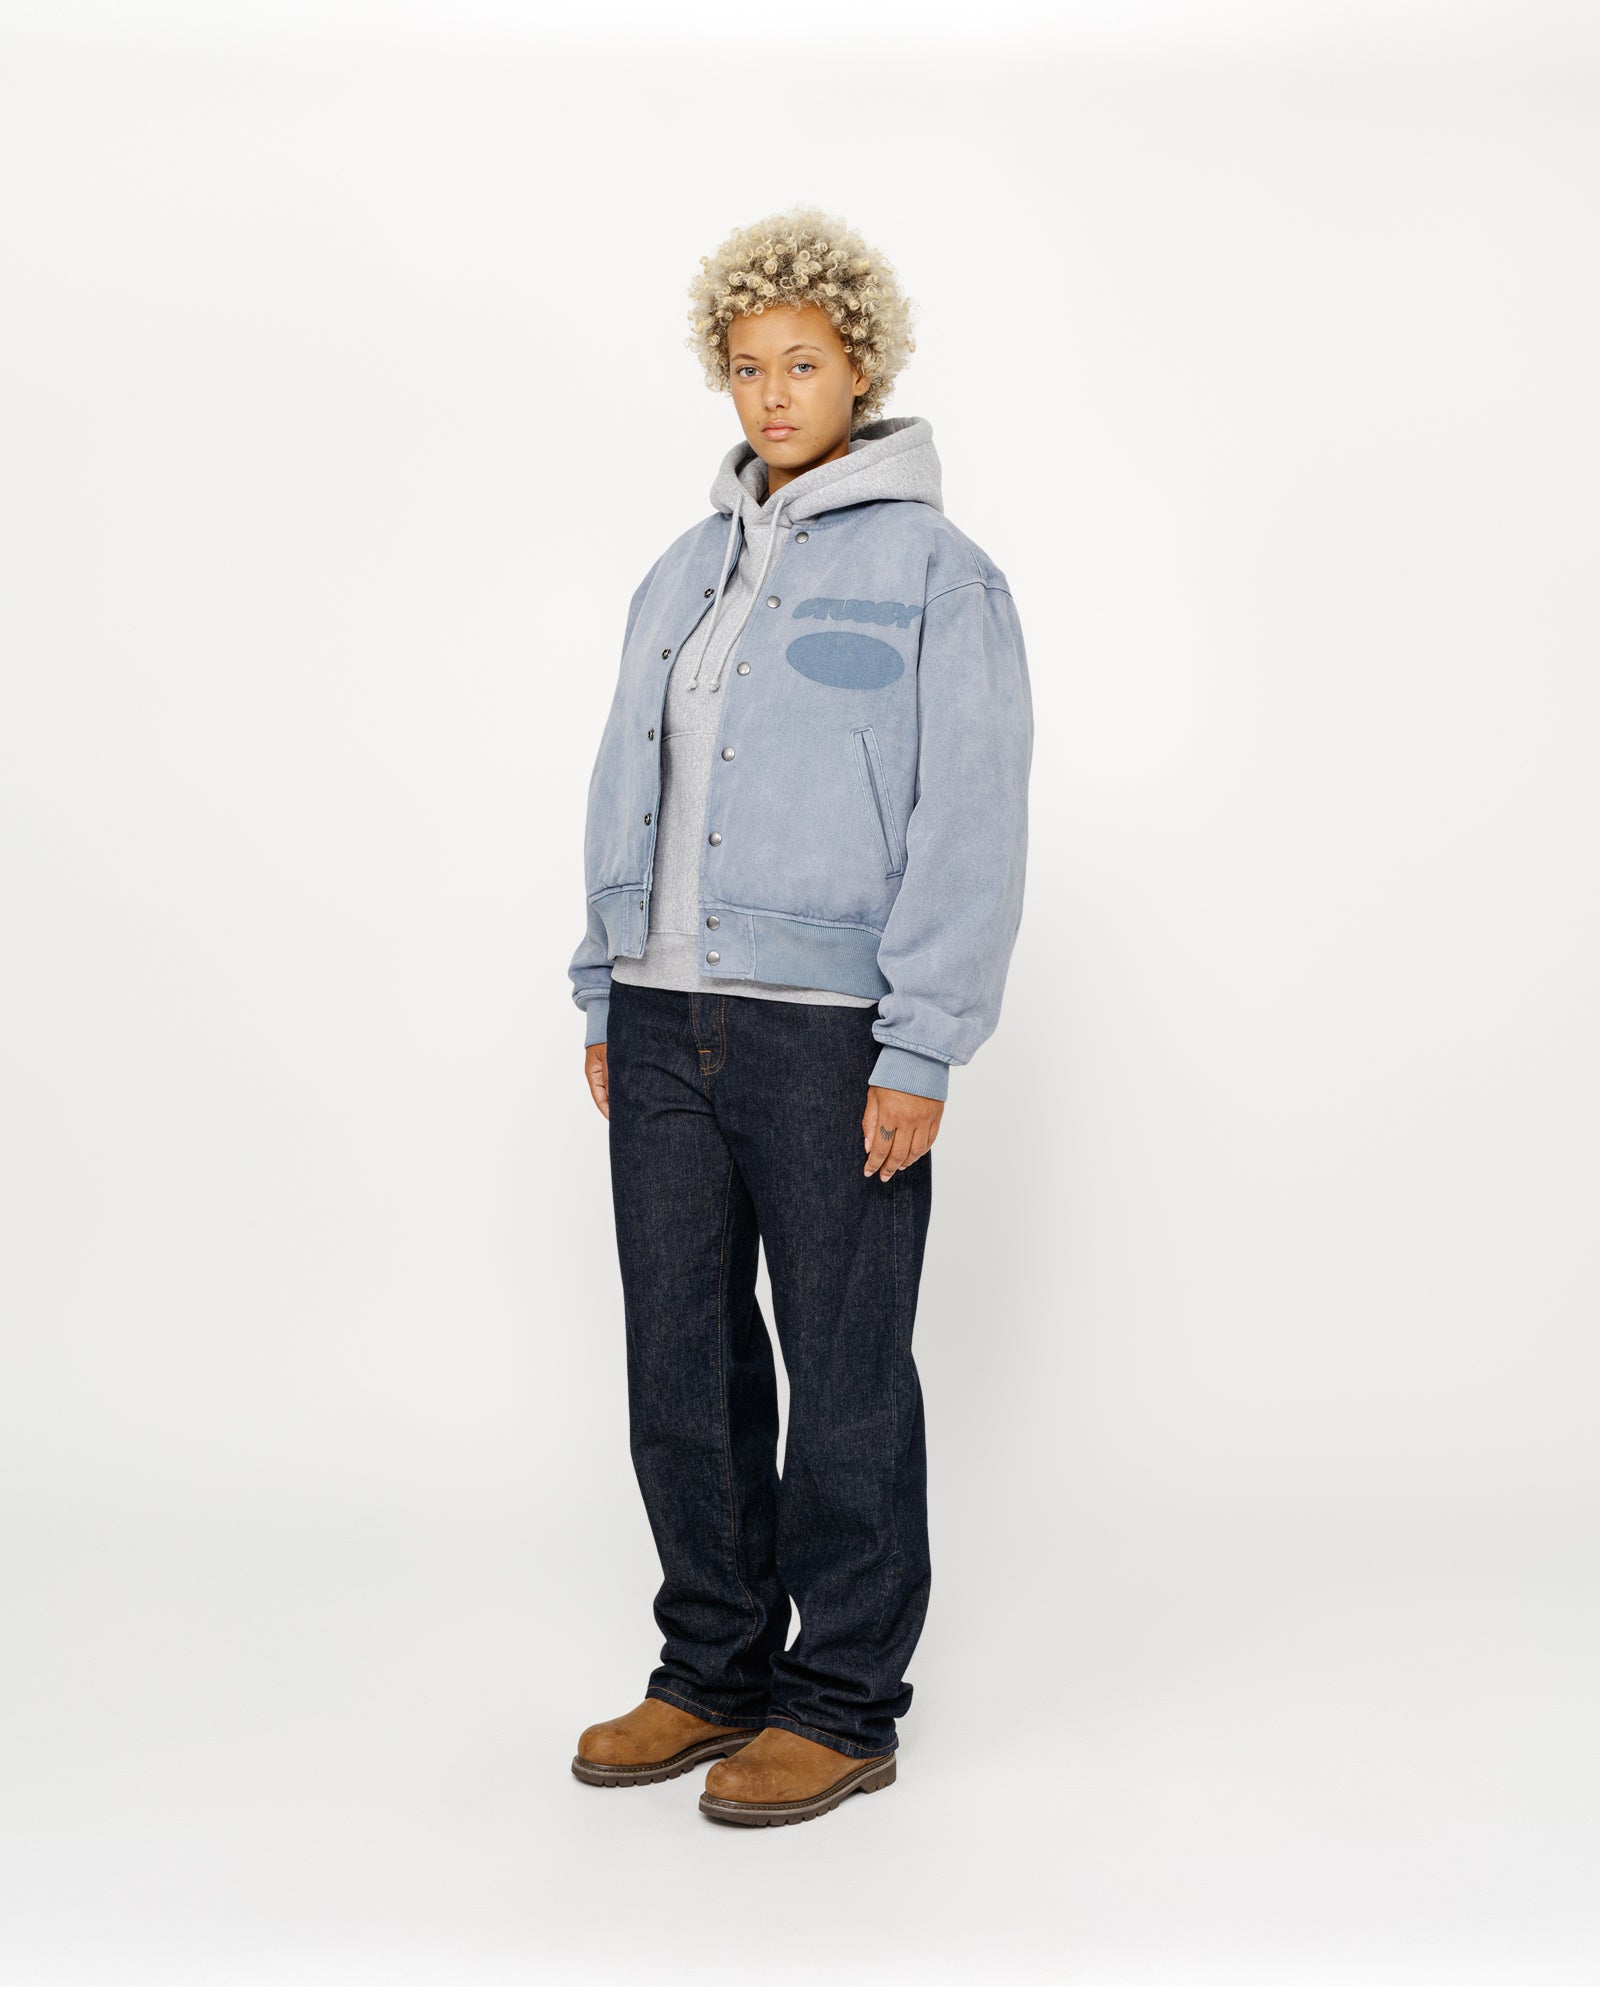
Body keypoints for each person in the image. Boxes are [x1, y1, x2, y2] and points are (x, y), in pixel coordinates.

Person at [565, 208, 1033, 1827]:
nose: (773, 395)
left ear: (861, 370)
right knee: (681, 1362)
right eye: (748, 367)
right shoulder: (681, 570)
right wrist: (604, 977)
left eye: (804, 364)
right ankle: (709, 1671)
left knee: (843, 1371)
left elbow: (972, 818)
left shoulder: (939, 577)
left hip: (827, 1035)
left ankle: (840, 1703)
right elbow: (624, 776)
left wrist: (922, 1043)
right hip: (662, 1014)